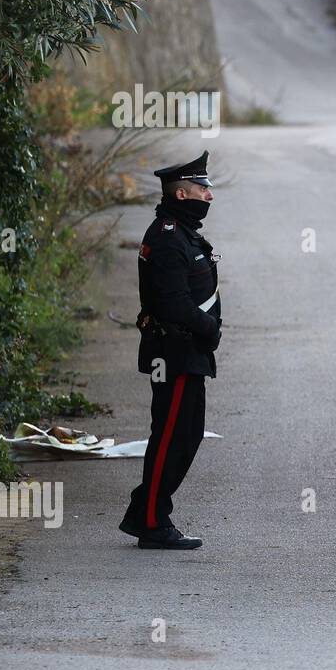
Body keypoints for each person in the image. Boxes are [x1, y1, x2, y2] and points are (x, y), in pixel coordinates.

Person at [120, 151, 221, 550]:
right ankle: (150, 519)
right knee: (170, 437)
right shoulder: (165, 237)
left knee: (187, 434)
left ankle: (146, 511)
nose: (208, 196)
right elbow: (173, 303)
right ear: (181, 194)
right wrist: (210, 330)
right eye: (202, 189)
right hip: (174, 353)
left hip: (187, 351)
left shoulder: (181, 232)